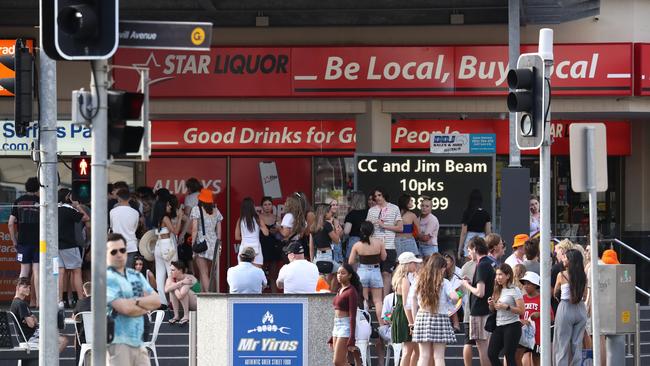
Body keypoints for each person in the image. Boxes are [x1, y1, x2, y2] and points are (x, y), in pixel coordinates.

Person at [106, 233, 161, 365]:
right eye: (114, 251)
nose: (119, 254)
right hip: (118, 343)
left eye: (122, 250)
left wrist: (135, 301)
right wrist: (145, 306)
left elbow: (157, 300)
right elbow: (125, 309)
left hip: (138, 342)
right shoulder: (106, 278)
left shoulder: (135, 275)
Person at [411, 254, 459, 366]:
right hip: (441, 318)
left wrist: (414, 321)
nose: (444, 270)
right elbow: (455, 297)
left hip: (422, 317)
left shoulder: (419, 281)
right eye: (443, 268)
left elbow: (412, 300)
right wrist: (452, 300)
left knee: (423, 356)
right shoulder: (445, 282)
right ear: (440, 268)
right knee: (439, 356)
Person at [461, 236, 495, 366]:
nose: (469, 254)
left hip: (480, 311)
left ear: (475, 249)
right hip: (486, 310)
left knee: (482, 347)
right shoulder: (489, 264)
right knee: (485, 346)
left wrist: (466, 285)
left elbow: (480, 292)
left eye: (469, 250)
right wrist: (471, 283)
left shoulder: (481, 265)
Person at [11, 277, 68, 352]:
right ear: (18, 287)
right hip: (30, 336)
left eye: (29, 287)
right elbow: (31, 324)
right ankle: (50, 361)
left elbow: (35, 320)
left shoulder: (19, 303)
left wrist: (32, 319)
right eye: (25, 287)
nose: (28, 289)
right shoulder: (20, 304)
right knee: (63, 340)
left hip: (33, 333)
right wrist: (32, 320)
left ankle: (49, 359)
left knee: (58, 335)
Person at [8, 177, 40, 306]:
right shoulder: (40, 201)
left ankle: (18, 300)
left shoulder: (18, 201)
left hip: (23, 242)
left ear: (26, 187)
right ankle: (38, 302)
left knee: (24, 272)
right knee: (37, 271)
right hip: (38, 241)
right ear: (38, 188)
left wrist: (14, 241)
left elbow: (11, 223)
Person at [553, 248, 588, 366]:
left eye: (566, 257)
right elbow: (584, 295)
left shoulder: (561, 275)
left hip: (565, 307)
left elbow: (555, 292)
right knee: (577, 344)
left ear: (571, 261)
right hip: (580, 308)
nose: (563, 259)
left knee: (561, 344)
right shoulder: (583, 276)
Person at [57, 188, 89, 309]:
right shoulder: (68, 209)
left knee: (60, 272)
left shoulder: (53, 209)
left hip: (56, 246)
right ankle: (81, 300)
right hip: (69, 245)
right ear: (68, 197)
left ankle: (60, 300)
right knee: (76, 272)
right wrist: (77, 206)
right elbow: (85, 218)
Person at [349, 221, 387, 323]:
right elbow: (384, 258)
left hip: (362, 271)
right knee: (378, 301)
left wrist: (359, 259)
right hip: (375, 271)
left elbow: (350, 261)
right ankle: (382, 325)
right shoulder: (379, 242)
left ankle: (365, 324)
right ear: (372, 231)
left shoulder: (357, 245)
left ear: (361, 231)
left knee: (364, 299)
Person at [366, 187, 403, 292]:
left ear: (384, 195)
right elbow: (366, 229)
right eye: (375, 196)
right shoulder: (372, 210)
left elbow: (400, 228)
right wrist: (370, 225)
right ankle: (376, 300)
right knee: (375, 273)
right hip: (375, 246)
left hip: (389, 245)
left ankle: (385, 299)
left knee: (386, 273)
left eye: (379, 195)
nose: (377, 198)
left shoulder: (394, 208)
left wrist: (384, 226)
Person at [487, 264, 525, 366]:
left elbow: (522, 310)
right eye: (496, 275)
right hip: (499, 325)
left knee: (509, 355)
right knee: (491, 353)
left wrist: (507, 307)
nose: (497, 277)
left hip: (512, 325)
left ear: (508, 276)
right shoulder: (497, 289)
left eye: (500, 274)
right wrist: (491, 305)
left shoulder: (515, 290)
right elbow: (493, 309)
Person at [152, 195, 183, 306]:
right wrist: (179, 218)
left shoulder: (157, 218)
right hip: (167, 246)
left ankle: (162, 301)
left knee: (160, 274)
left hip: (158, 245)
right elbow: (175, 231)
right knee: (172, 273)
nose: (170, 206)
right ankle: (172, 301)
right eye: (167, 205)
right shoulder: (166, 218)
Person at [391, 251, 422, 366]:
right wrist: (411, 324)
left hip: (402, 315)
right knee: (408, 350)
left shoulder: (401, 278)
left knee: (416, 350)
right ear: (408, 264)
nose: (416, 265)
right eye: (414, 263)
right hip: (406, 316)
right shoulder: (404, 280)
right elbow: (406, 304)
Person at [191, 188, 223, 292]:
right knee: (209, 273)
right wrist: (219, 245)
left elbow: (195, 229)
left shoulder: (196, 209)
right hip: (214, 244)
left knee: (203, 273)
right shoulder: (216, 211)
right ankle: (205, 295)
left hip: (202, 243)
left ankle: (208, 298)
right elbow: (219, 232)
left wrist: (193, 246)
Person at [515, 271, 550, 366]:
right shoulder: (521, 298)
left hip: (537, 336)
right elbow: (515, 315)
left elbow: (551, 316)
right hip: (523, 334)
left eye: (528, 283)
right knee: (517, 356)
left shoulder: (542, 299)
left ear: (535, 285)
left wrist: (540, 314)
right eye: (524, 284)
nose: (525, 286)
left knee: (537, 360)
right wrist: (520, 320)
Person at [330, 263, 361, 366]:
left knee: (338, 361)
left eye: (343, 273)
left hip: (345, 326)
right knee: (342, 362)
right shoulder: (339, 290)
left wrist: (352, 338)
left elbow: (353, 315)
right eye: (338, 273)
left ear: (350, 275)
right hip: (337, 326)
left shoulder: (351, 291)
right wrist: (332, 336)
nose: (339, 275)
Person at [310, 204, 342, 287]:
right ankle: (331, 294)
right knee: (340, 272)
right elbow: (336, 240)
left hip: (317, 257)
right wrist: (337, 233)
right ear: (324, 213)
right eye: (329, 212)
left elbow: (311, 246)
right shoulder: (327, 225)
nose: (330, 213)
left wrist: (312, 261)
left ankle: (325, 292)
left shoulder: (313, 226)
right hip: (328, 255)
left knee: (321, 279)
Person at [110, 188, 141, 268]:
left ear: (118, 198)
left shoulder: (113, 212)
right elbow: (135, 228)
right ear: (129, 198)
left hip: (117, 244)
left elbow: (112, 227)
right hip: (131, 245)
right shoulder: (135, 213)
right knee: (129, 271)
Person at [458, 189, 492, 262]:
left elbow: (463, 233)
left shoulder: (467, 212)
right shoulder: (486, 213)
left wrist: (459, 250)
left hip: (469, 239)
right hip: (481, 240)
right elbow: (488, 233)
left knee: (468, 264)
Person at [235, 197, 269, 267]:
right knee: (256, 274)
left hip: (243, 250)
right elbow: (266, 233)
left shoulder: (240, 220)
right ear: (253, 207)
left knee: (244, 274)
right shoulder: (258, 218)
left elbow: (237, 237)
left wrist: (245, 238)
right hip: (256, 249)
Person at [259, 196, 283, 292]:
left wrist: (277, 230)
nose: (267, 207)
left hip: (274, 248)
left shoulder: (277, 218)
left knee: (273, 276)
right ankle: (258, 298)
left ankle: (275, 299)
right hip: (262, 248)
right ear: (262, 206)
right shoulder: (258, 218)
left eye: (269, 204)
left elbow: (282, 235)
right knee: (261, 276)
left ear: (272, 206)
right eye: (265, 205)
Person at [165, 261, 198, 325]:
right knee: (173, 288)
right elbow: (166, 290)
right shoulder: (171, 278)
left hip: (195, 304)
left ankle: (186, 315)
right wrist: (180, 283)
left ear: (179, 270)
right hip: (181, 303)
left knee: (180, 289)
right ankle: (176, 316)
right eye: (170, 270)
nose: (170, 272)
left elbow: (181, 296)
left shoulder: (189, 278)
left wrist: (174, 286)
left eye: (173, 270)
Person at [343, 191, 368, 260]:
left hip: (354, 240)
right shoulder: (368, 212)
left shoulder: (352, 214)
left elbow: (346, 231)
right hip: (367, 240)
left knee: (351, 263)